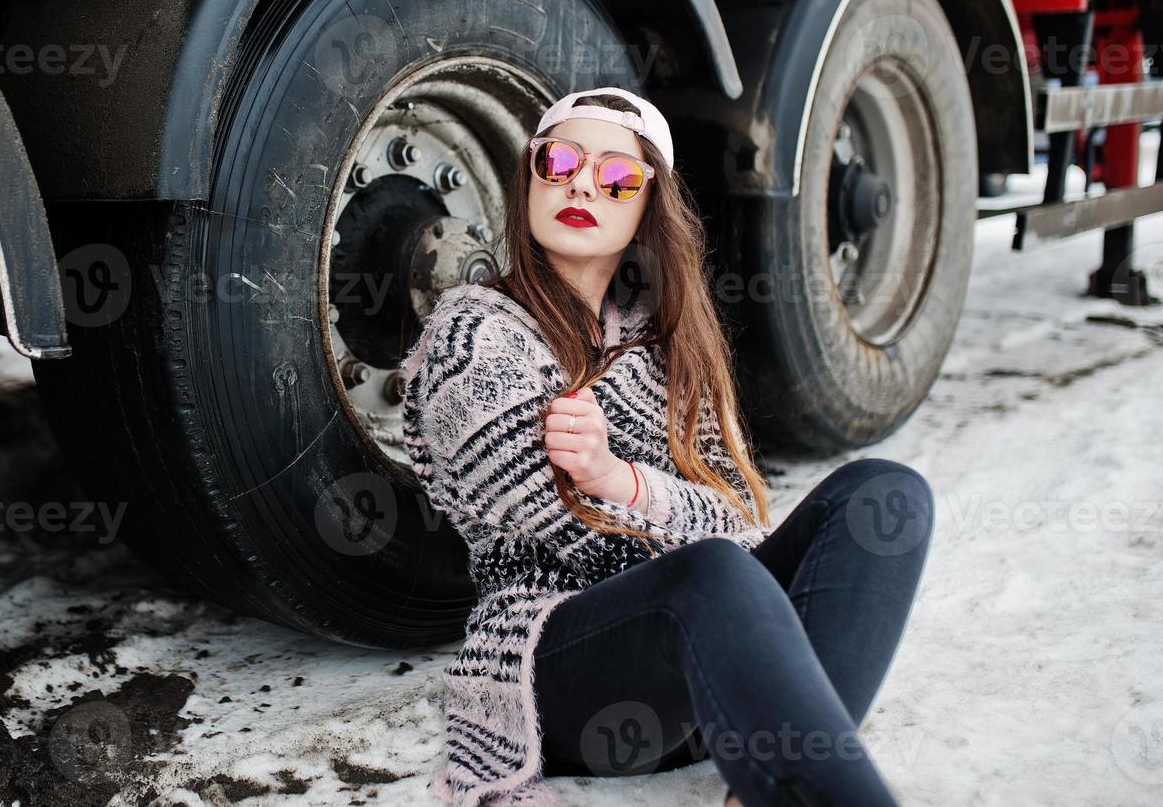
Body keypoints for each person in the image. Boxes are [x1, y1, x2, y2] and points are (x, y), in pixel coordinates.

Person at [399, 86, 934, 807]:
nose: (583, 182)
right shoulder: (474, 336)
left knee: (883, 492)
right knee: (707, 573)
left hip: (711, 679)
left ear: (647, 207)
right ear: (530, 176)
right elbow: (591, 543)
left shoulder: (665, 343)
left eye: (618, 175)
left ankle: (773, 777)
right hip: (564, 677)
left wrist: (620, 480)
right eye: (559, 161)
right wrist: (672, 517)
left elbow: (740, 516)